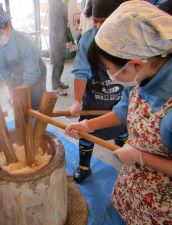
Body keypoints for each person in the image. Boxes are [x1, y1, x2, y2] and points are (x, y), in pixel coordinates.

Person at [65, 1, 172, 224]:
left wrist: (142, 157)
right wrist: (87, 126)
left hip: (160, 206)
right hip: (133, 184)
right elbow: (124, 111)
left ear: (135, 64)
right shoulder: (145, 76)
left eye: (108, 68)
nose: (106, 74)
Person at [68, 0, 128, 183]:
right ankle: (84, 166)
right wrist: (77, 101)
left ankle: (123, 153)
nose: (97, 25)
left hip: (121, 98)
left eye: (103, 21)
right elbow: (81, 71)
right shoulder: (88, 39)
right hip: (95, 99)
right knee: (87, 133)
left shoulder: (129, 38)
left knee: (122, 128)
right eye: (95, 21)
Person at [0, 5, 47, 109]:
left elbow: (32, 72)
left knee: (36, 102)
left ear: (8, 25)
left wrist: (19, 93)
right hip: (18, 73)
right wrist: (11, 90)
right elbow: (3, 68)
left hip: (36, 71)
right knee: (20, 105)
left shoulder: (25, 40)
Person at [49, 0, 70, 96]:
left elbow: (65, 21)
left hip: (60, 38)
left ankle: (58, 82)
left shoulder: (61, 4)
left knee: (61, 62)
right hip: (57, 39)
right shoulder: (56, 4)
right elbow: (57, 24)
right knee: (58, 63)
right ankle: (55, 86)